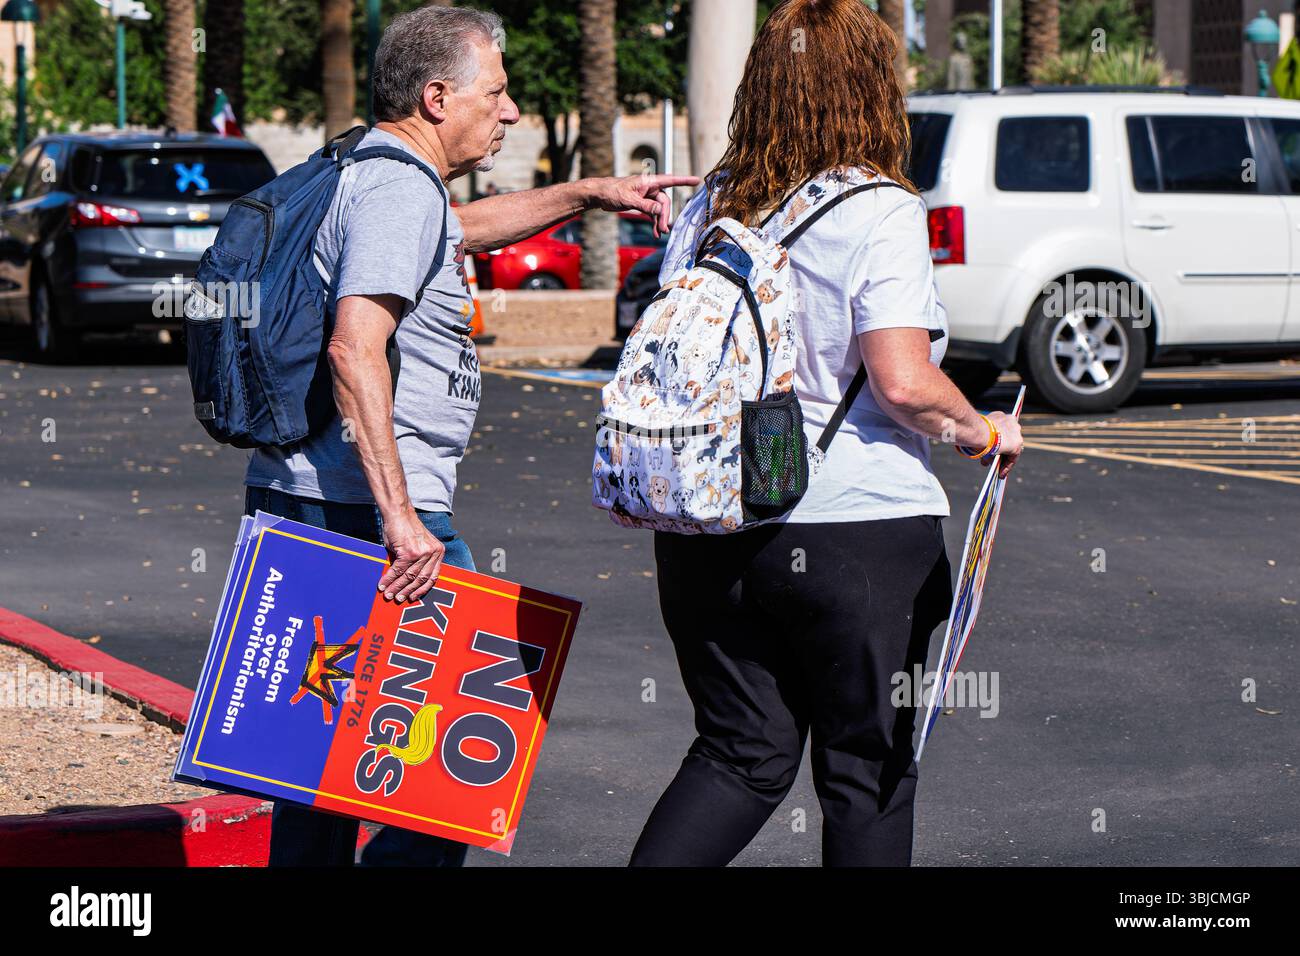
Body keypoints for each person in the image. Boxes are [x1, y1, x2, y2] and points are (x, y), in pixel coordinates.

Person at [243, 4, 697, 866]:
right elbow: (353, 346)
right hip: (369, 521)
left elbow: (462, 232)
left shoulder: (381, 176)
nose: (514, 110)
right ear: (438, 95)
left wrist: (588, 192)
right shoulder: (395, 188)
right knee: (443, 785)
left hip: (321, 504)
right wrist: (403, 519)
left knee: (321, 780)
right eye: (498, 91)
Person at [627, 0, 1023, 867]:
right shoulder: (879, 208)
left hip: (714, 521)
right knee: (866, 773)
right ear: (872, 89)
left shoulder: (707, 207)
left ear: (762, 88)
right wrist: (983, 430)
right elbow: (903, 380)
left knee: (741, 753)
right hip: (857, 530)